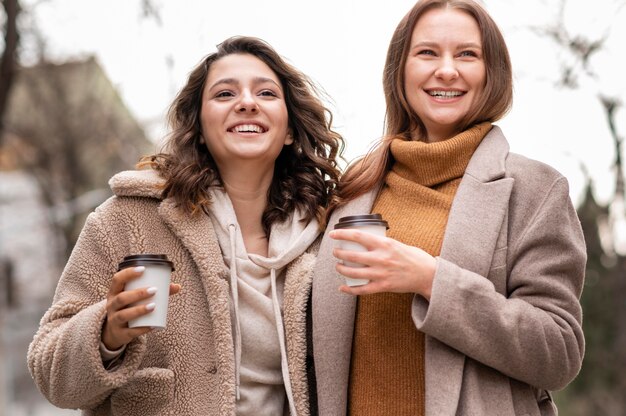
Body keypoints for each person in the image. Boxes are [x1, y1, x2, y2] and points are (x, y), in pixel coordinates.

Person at [27, 36, 343, 415]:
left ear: (290, 129)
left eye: (266, 94)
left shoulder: (326, 235)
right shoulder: (127, 220)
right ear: (199, 127)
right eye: (225, 94)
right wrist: (107, 333)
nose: (246, 102)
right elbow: (50, 375)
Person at [311, 1, 586, 415]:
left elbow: (558, 351)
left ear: (491, 72)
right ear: (400, 70)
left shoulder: (536, 189)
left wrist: (430, 279)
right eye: (427, 52)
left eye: (466, 54)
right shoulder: (354, 187)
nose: (446, 70)